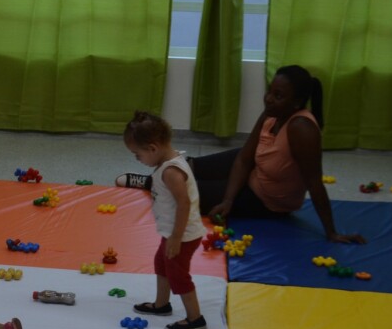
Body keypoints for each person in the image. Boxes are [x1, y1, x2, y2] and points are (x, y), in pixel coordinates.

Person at [116, 65, 365, 244]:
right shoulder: (272, 112)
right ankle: (159, 177)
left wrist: (331, 232)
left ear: (297, 102)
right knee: (188, 167)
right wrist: (228, 200)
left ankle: (149, 182)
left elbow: (315, 184)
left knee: (181, 192)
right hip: (256, 168)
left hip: (267, 199)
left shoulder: (302, 129)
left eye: (278, 96)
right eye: (270, 91)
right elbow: (245, 158)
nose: (269, 99)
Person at [122, 112, 209, 329]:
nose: (138, 159)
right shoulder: (167, 163)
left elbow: (184, 204)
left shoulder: (171, 171)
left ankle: (195, 318)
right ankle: (161, 304)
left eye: (137, 155)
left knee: (178, 274)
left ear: (153, 148)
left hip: (183, 235)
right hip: (173, 232)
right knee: (161, 264)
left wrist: (177, 238)